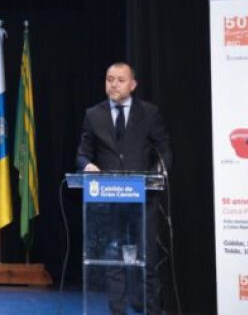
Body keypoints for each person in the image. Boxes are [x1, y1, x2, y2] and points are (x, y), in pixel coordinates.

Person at [75, 62, 172, 314]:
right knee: (114, 260)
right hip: (109, 201)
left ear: (133, 84)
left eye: (120, 79)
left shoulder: (149, 113)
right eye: (109, 79)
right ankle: (117, 310)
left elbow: (164, 151)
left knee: (147, 259)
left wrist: (158, 172)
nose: (113, 84)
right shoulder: (93, 114)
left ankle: (149, 309)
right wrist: (87, 166)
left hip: (144, 199)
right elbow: (82, 154)